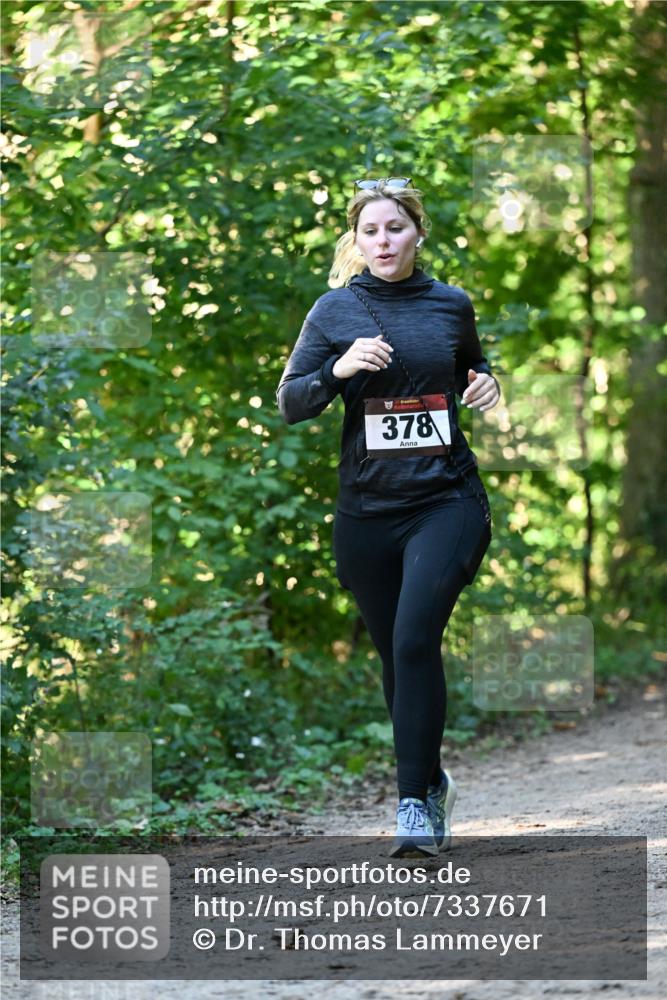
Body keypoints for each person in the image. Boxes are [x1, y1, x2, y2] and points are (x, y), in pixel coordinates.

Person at [276, 177, 501, 858]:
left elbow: (471, 368)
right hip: (366, 512)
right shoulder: (334, 312)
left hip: (446, 500)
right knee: (394, 659)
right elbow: (291, 403)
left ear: (417, 234)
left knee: (412, 641)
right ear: (356, 239)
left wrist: (487, 382)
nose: (383, 241)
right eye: (370, 231)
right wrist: (339, 370)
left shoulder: (449, 305)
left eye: (395, 228)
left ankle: (413, 807)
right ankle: (430, 779)